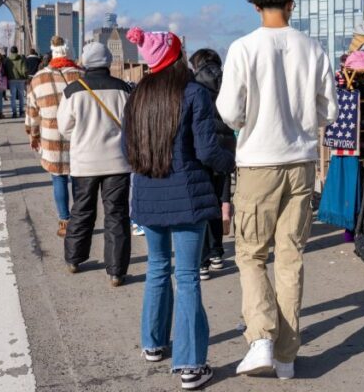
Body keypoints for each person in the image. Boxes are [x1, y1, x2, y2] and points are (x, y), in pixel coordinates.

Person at [216, 0, 338, 379]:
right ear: (292, 3)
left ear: (254, 6)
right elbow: (330, 111)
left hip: (258, 163)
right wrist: (304, 120)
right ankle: (286, 355)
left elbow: (230, 112)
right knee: (291, 258)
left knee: (251, 255)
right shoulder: (314, 48)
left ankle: (262, 337)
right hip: (302, 162)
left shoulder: (243, 48)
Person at [125, 27, 234, 390]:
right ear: (175, 56)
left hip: (147, 193)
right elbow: (207, 151)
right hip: (188, 197)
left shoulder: (137, 95)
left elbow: (128, 148)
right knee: (187, 277)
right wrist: (229, 162)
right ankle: (190, 364)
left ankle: (153, 343)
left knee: (157, 268)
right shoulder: (193, 94)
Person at [57, 41, 132, 284]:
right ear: (108, 61)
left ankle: (74, 259)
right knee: (117, 214)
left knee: (82, 209)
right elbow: (131, 125)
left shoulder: (73, 90)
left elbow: (63, 128)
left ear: (84, 62)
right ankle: (116, 271)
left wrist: (81, 138)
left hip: (85, 163)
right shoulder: (124, 89)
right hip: (118, 163)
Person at [25, 36, 82, 237]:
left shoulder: (38, 77)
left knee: (58, 178)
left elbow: (31, 112)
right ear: (68, 52)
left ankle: (64, 221)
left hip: (52, 137)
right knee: (78, 179)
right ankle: (79, 218)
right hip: (78, 136)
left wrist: (34, 135)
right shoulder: (82, 75)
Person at [188, 48, 236, 281]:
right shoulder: (229, 80)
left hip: (203, 146)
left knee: (203, 201)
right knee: (219, 198)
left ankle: (203, 261)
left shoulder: (194, 84)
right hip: (227, 145)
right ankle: (217, 252)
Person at [6, 46, 28, 118]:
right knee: (21, 96)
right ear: (17, 51)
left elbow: (5, 69)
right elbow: (24, 70)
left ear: (11, 52)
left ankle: (14, 112)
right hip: (20, 80)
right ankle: (21, 111)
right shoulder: (21, 59)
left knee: (13, 97)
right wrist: (26, 77)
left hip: (11, 80)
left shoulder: (8, 60)